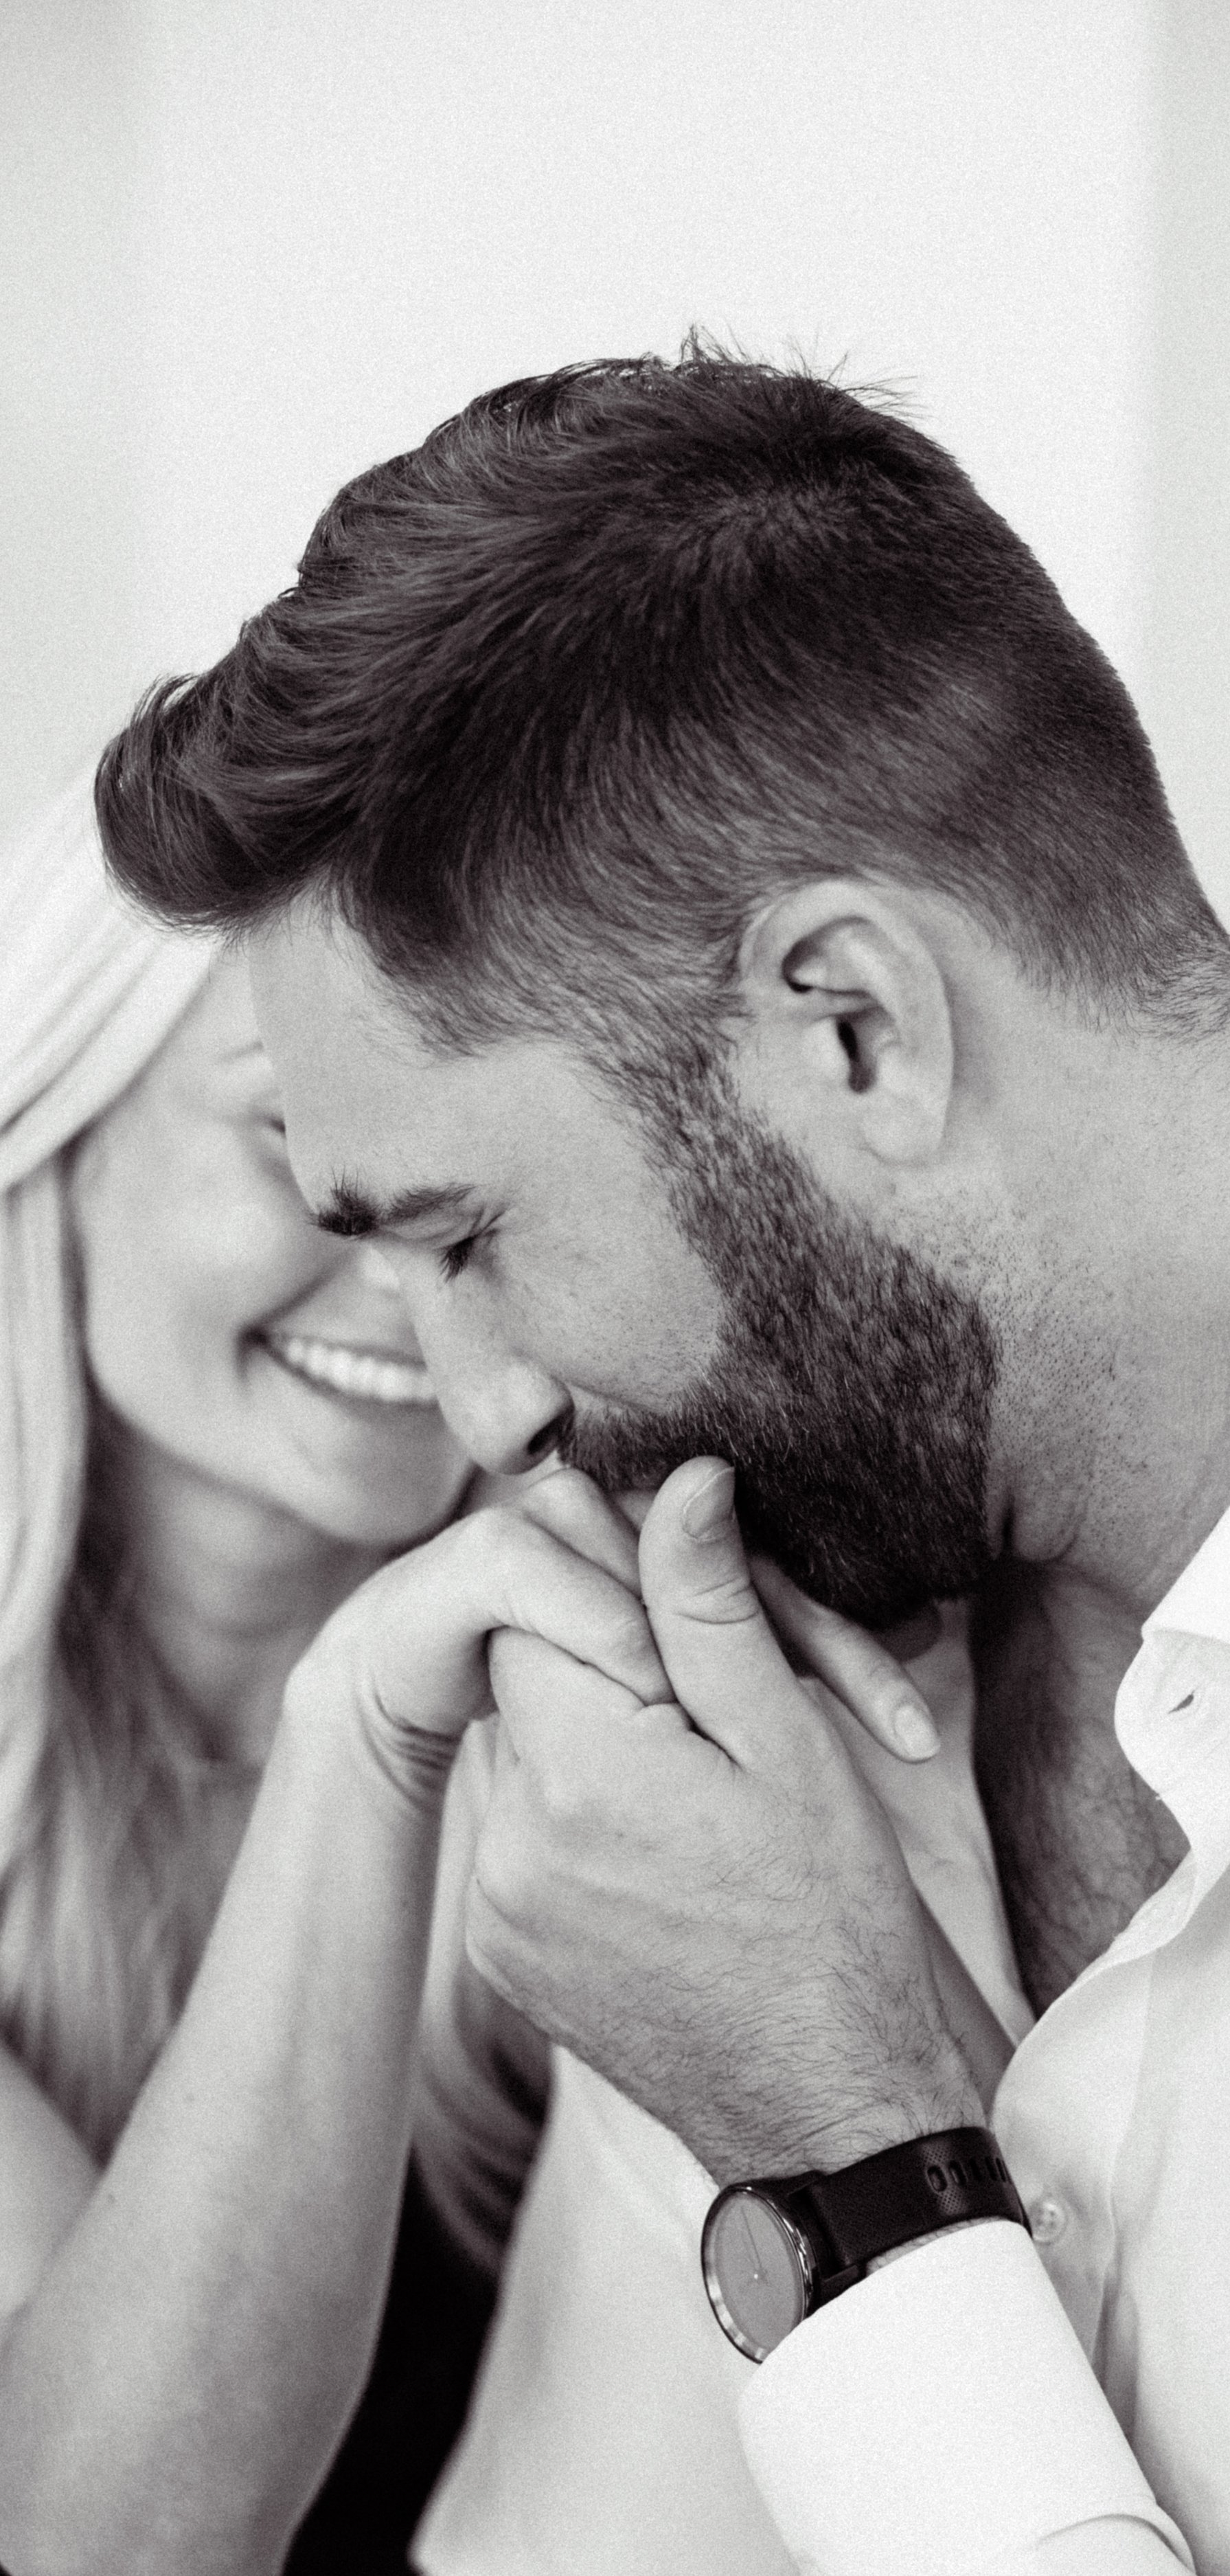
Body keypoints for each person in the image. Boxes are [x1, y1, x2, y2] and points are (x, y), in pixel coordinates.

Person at [98, 351, 1230, 2575]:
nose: (475, 1420)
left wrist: (850, 2162)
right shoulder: (768, 1666)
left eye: (472, 1240)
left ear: (853, 1027)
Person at [0, 776, 938, 2574]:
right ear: (50, 1130)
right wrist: (357, 1724)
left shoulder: (628, 1720)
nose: (406, 1272)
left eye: (476, 1184)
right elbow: (104, 2543)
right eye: (291, 1144)